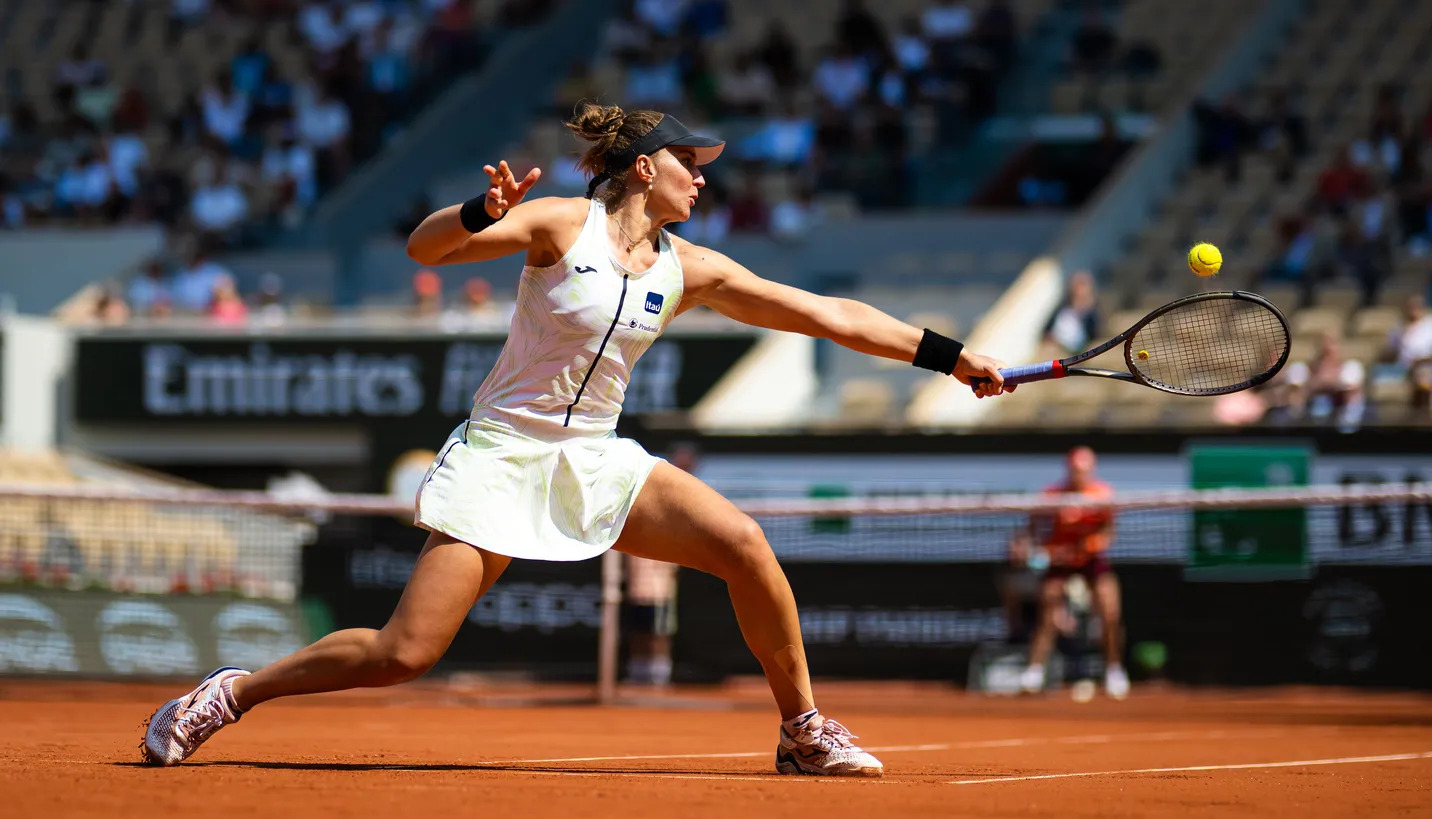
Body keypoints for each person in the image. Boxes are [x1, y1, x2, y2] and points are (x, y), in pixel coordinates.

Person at [139, 102, 1011, 777]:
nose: (702, 179)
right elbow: (425, 250)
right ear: (643, 169)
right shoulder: (559, 223)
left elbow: (831, 316)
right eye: (689, 164)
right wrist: (478, 213)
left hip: (597, 455)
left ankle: (802, 732)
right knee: (404, 653)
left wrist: (951, 356)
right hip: (503, 450)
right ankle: (234, 691)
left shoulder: (690, 267)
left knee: (746, 544)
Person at [1016, 447, 1129, 700]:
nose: (1080, 475)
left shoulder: (1103, 495)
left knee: (1110, 612)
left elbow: (1109, 532)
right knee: (1048, 612)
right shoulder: (1052, 495)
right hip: (1060, 559)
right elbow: (1033, 526)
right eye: (1076, 470)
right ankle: (1033, 673)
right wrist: (1044, 551)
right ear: (1068, 470)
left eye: (1085, 470)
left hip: (1092, 560)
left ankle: (1114, 671)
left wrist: (1090, 546)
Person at [623, 442, 696, 686]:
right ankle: (639, 672)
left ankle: (659, 674)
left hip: (661, 590)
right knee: (638, 632)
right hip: (637, 589)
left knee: (660, 632)